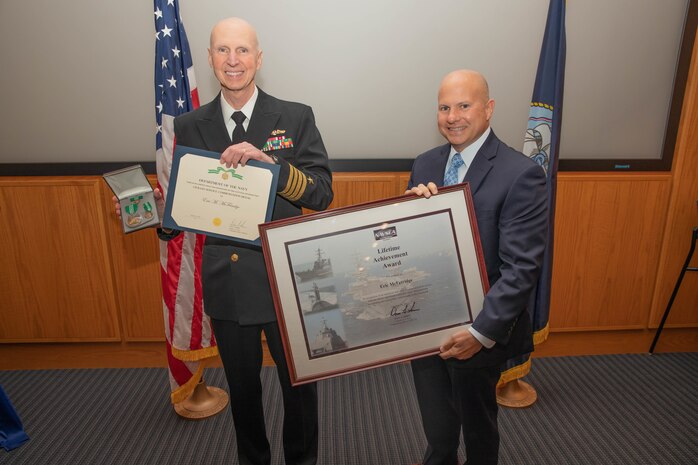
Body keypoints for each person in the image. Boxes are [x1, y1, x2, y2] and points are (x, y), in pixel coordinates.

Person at [115, 17, 332, 465]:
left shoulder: (294, 115)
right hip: (227, 281)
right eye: (223, 51)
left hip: (286, 278)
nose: (233, 61)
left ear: (259, 58)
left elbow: (322, 195)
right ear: (211, 58)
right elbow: (183, 212)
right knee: (244, 392)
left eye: (242, 51)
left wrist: (269, 165)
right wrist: (149, 213)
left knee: (299, 387)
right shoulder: (191, 124)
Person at [406, 70, 548, 465]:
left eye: (464, 106)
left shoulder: (520, 173)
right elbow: (410, 249)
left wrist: (480, 332)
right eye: (444, 107)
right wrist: (405, 218)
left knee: (478, 431)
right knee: (437, 431)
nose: (453, 116)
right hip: (425, 325)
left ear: (489, 109)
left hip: (478, 331)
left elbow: (521, 268)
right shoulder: (425, 164)